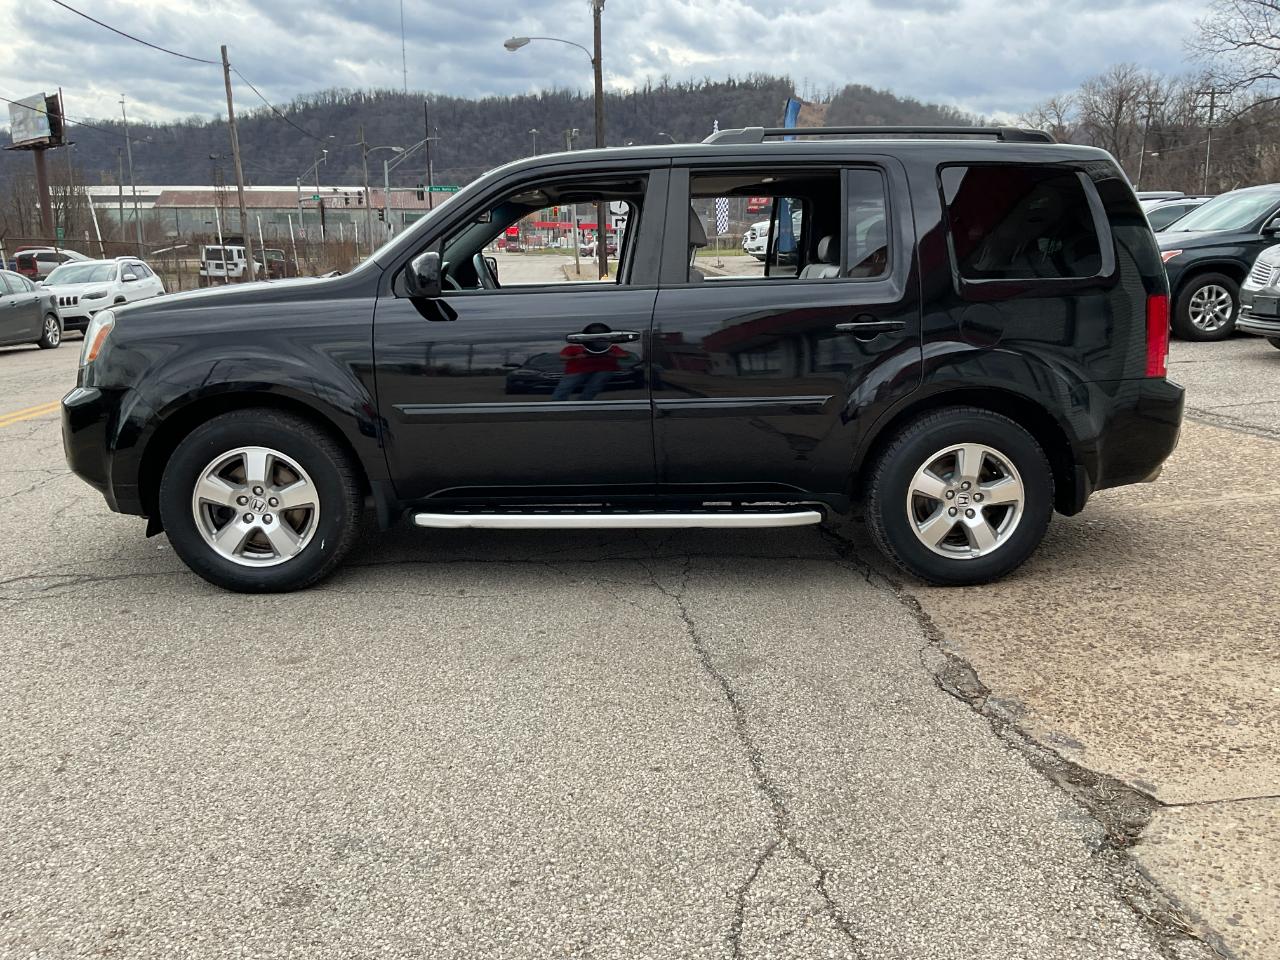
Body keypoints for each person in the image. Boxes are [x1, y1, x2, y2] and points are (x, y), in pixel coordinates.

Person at [552, 322, 627, 401]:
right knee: (566, 386)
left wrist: (610, 355)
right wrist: (576, 357)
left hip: (603, 369)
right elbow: (562, 357)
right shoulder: (574, 347)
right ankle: (558, 402)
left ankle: (584, 402)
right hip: (578, 370)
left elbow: (624, 356)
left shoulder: (610, 347)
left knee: (595, 386)